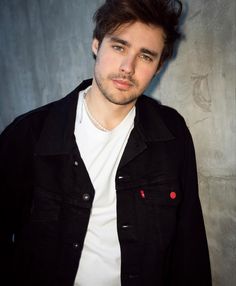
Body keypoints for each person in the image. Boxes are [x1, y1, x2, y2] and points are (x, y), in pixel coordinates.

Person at [0, 0, 212, 285]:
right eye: (119, 47)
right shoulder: (29, 134)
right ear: (96, 44)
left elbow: (189, 248)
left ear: (159, 66)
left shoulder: (172, 133)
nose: (128, 67)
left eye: (146, 56)